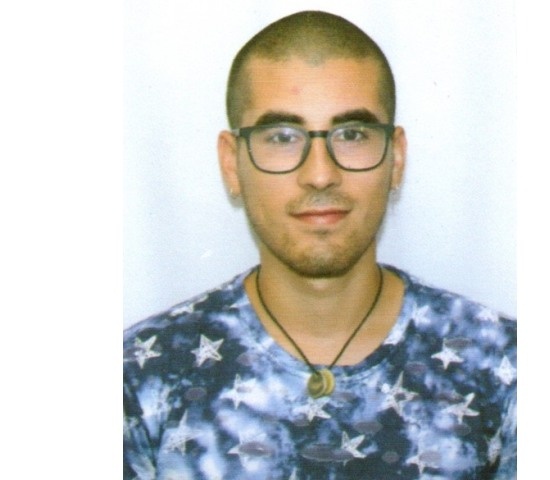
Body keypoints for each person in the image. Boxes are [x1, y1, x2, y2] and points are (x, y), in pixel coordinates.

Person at [123, 10, 516, 480]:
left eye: (351, 135)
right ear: (232, 164)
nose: (320, 174)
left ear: (395, 158)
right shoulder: (141, 378)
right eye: (282, 137)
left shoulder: (502, 369)